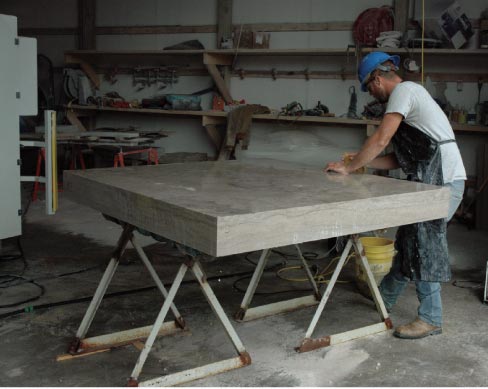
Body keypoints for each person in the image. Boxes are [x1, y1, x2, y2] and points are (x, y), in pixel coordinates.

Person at [324, 51, 466, 339]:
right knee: (409, 240)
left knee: (424, 246)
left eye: (369, 87)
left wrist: (350, 167)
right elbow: (397, 158)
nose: (371, 94)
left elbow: (381, 138)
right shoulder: (410, 97)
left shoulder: (404, 91)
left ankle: (431, 318)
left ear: (377, 78)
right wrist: (359, 163)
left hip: (444, 182)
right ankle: (384, 298)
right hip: (431, 181)